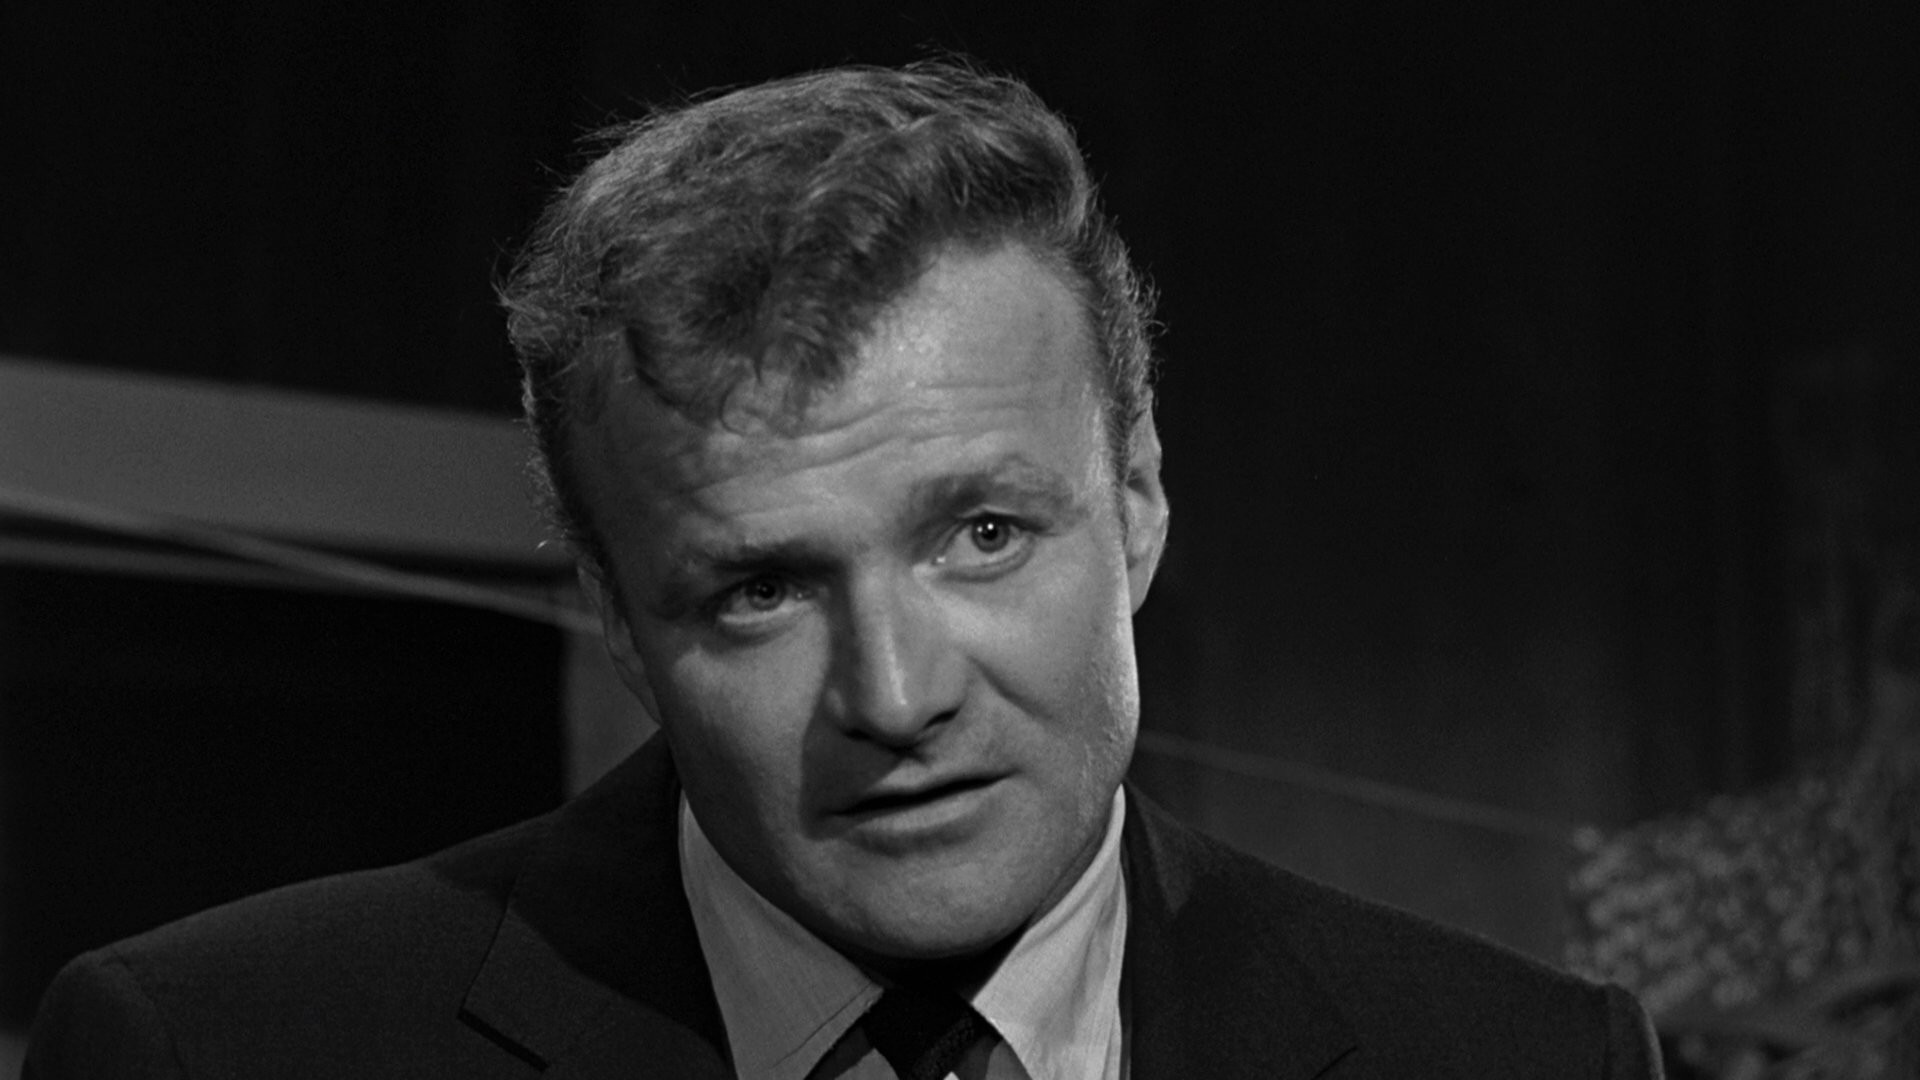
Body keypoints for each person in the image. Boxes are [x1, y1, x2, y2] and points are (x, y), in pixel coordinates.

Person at [23, 62, 1663, 1078]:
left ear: (1141, 498)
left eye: (982, 536)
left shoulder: (1524, 1061)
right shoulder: (219, 1051)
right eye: (761, 591)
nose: (894, 696)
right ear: (615, 617)